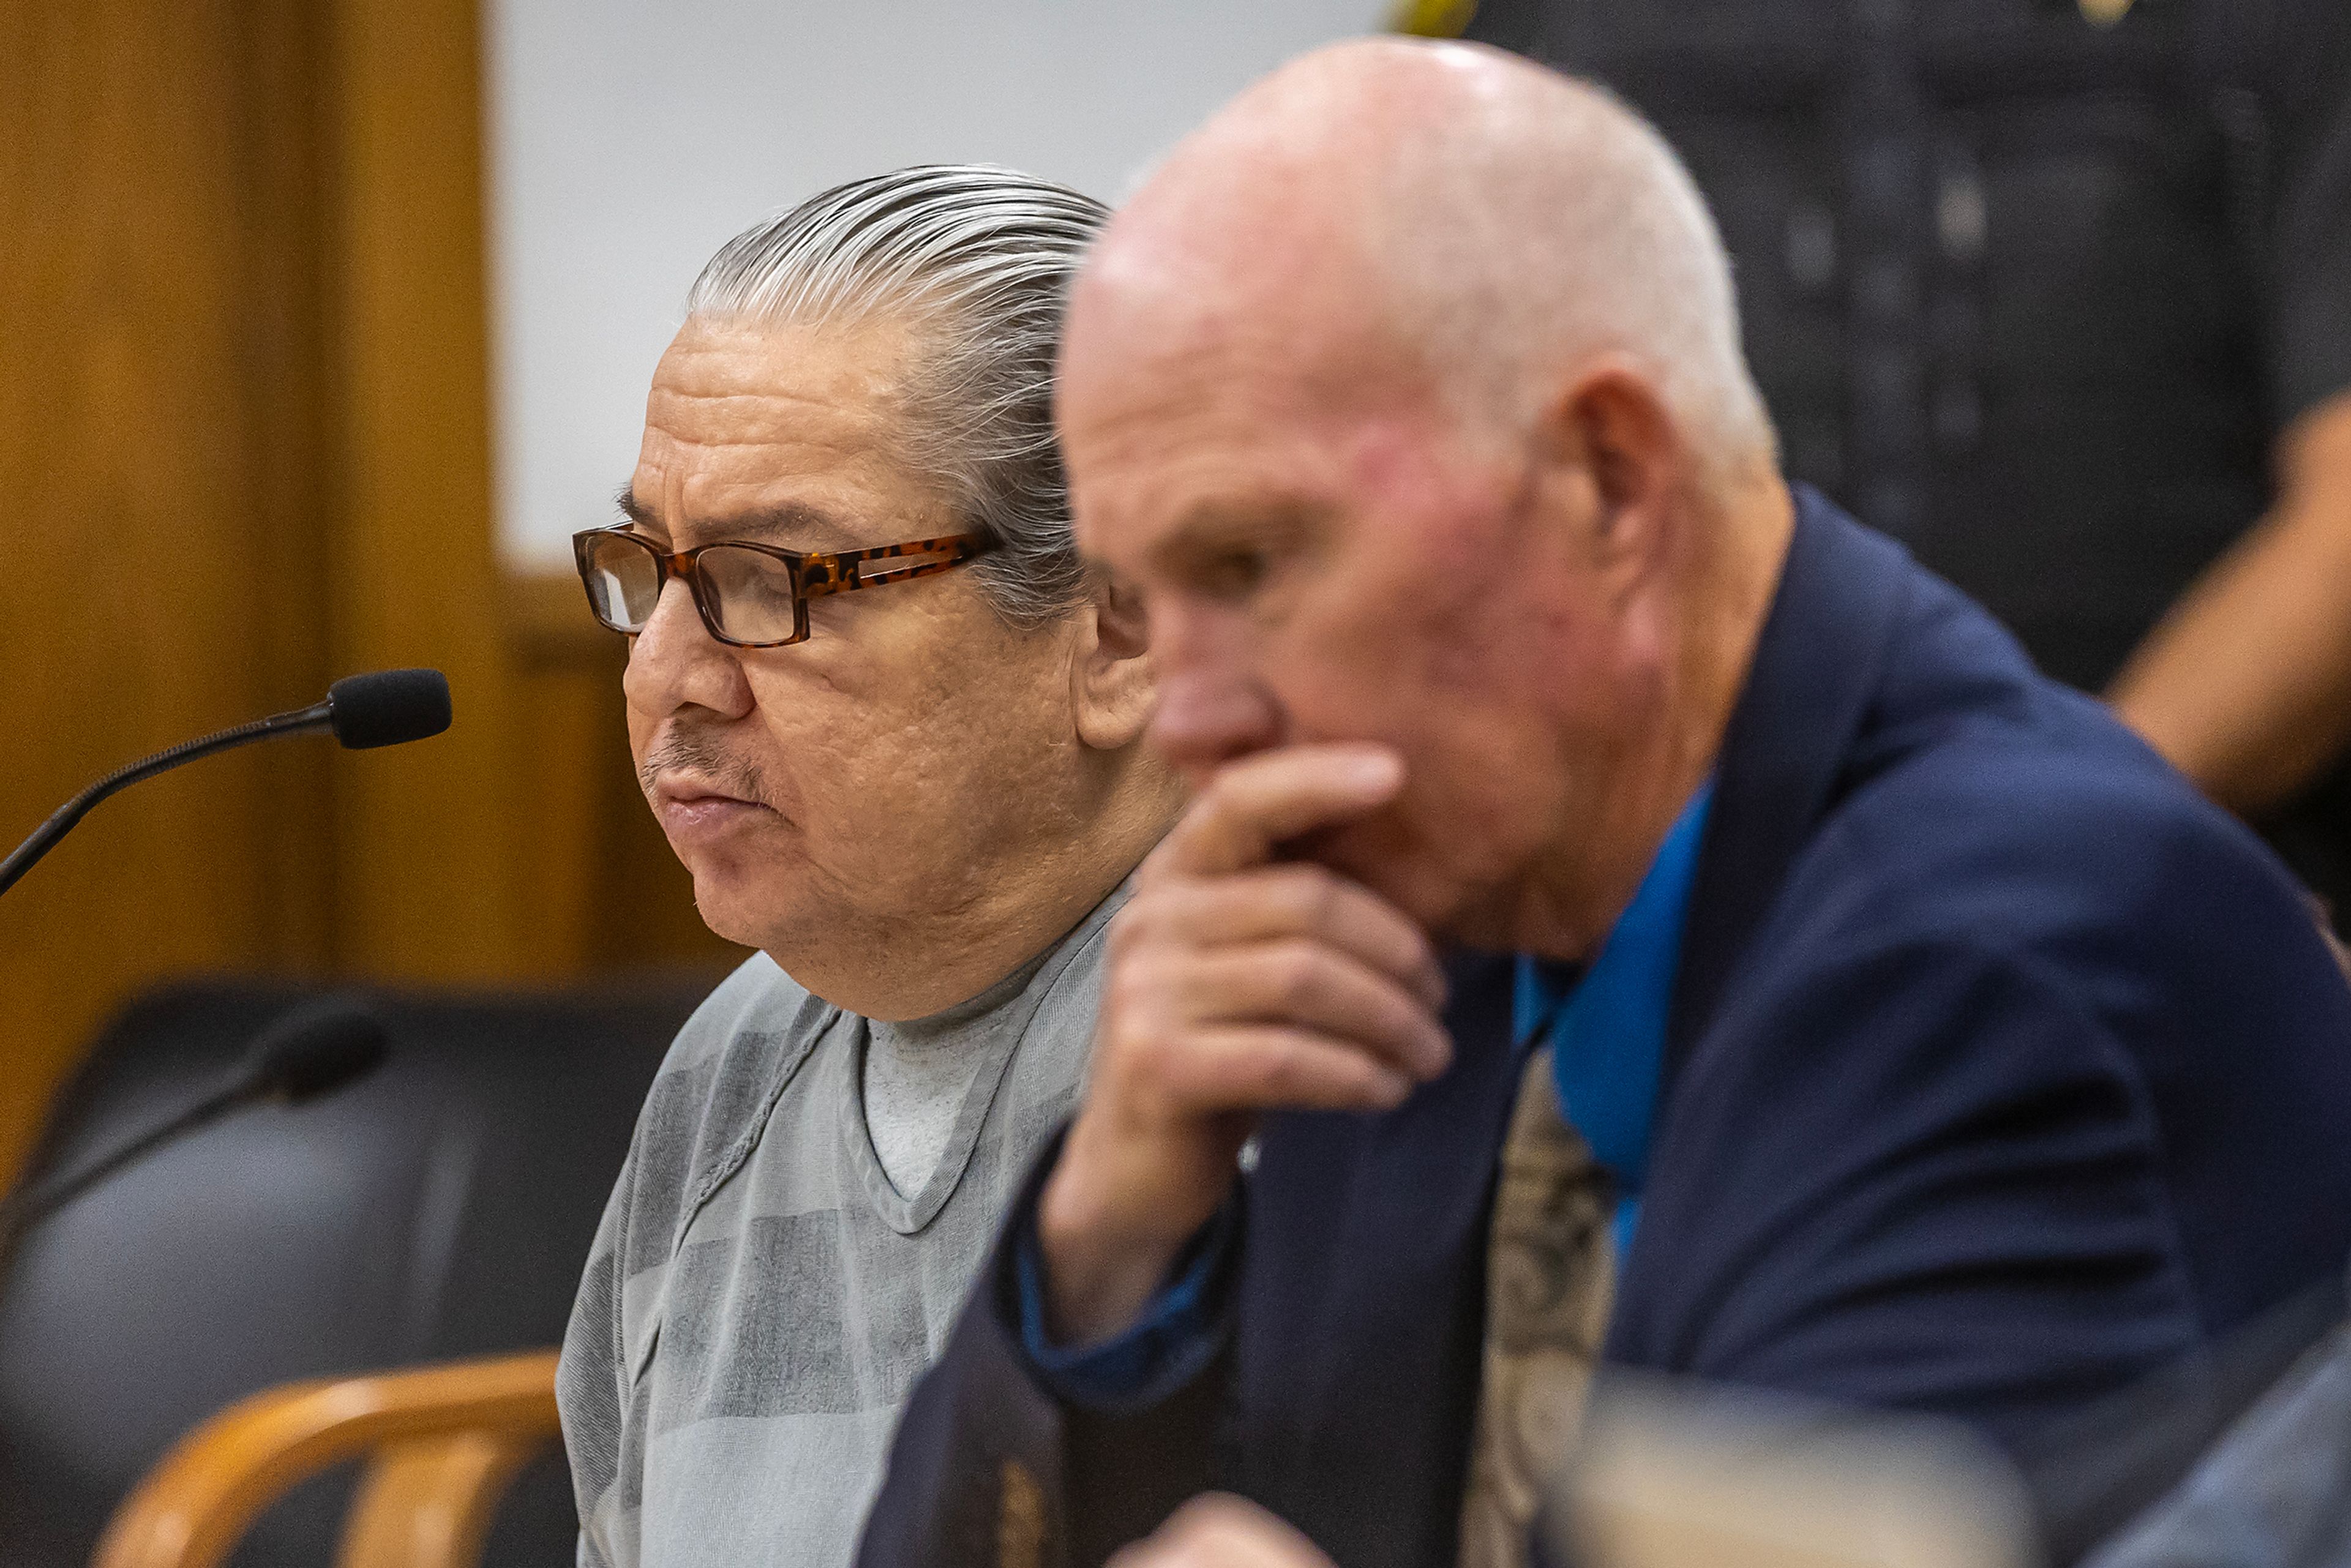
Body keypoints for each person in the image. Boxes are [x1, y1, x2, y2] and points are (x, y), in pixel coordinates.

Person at [853, 43, 2351, 1568]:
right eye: (1149, 599)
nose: (1188, 711)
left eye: (1247, 567)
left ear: (1610, 482)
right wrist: (1114, 1225)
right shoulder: (1415, 905)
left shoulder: (2016, 950)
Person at [555, 166, 1184, 1568]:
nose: (669, 678)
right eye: (648, 575)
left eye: (772, 582)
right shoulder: (736, 1061)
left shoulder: (1319, 1024)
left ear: (1122, 631)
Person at [1454, 0, 2351, 931]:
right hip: (1655, 928)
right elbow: (1421, 491)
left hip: (2185, 899)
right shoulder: (1552, 35)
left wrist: (2072, 829)